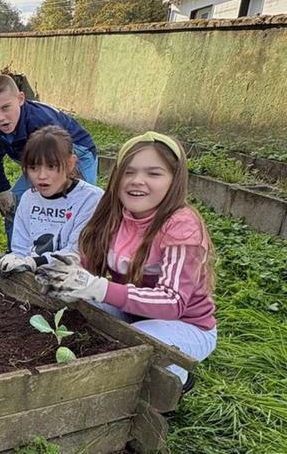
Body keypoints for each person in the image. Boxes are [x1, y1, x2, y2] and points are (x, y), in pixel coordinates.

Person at [35, 132, 216, 391]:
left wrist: (100, 288)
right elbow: (87, 259)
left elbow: (173, 302)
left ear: (174, 180)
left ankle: (177, 377)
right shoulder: (116, 214)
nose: (137, 181)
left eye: (153, 173)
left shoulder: (181, 226)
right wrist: (49, 268)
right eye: (129, 172)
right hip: (133, 316)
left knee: (140, 344)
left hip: (185, 325)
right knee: (78, 303)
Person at [0, 74, 97, 249]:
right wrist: (4, 190)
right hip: (35, 163)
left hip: (73, 154)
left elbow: (61, 158)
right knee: (15, 204)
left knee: (75, 207)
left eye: (6, 108)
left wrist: (63, 188)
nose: (1, 118)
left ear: (20, 98)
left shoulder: (39, 122)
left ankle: (72, 258)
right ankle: (17, 253)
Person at [0, 126, 103, 275]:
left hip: (74, 281)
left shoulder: (91, 199)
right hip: (32, 279)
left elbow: (78, 251)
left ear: (71, 163)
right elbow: (20, 247)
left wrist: (35, 262)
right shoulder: (28, 198)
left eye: (51, 166)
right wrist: (16, 259)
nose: (41, 176)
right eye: (33, 168)